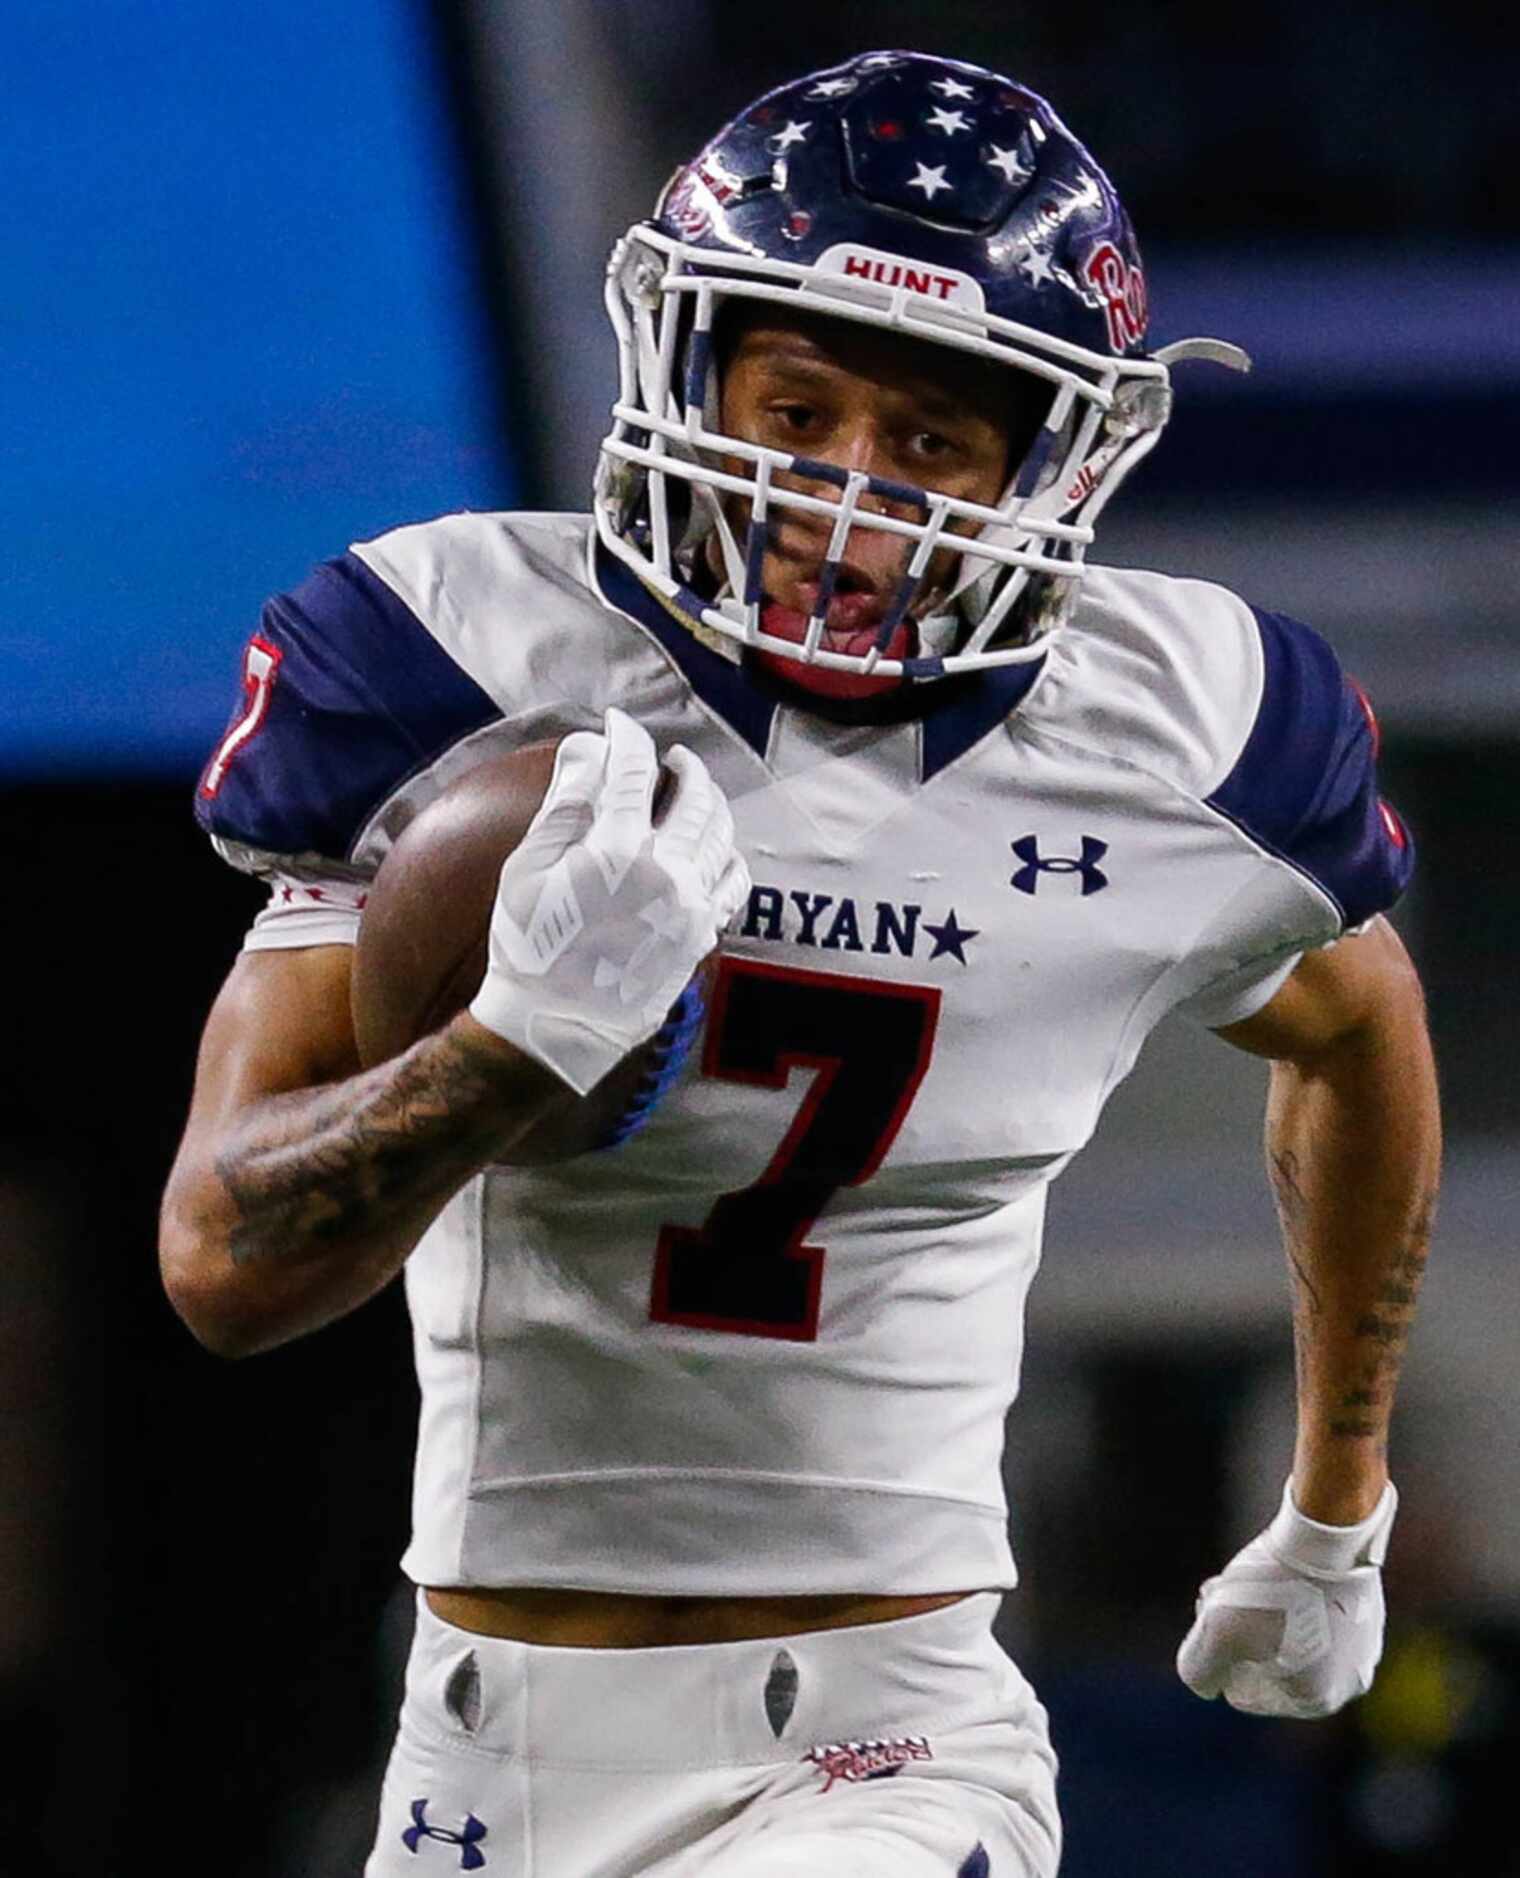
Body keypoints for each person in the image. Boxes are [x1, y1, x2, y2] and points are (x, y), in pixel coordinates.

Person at [159, 48, 1440, 1877]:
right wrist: (514, 1043)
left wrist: (1337, 1509)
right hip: (481, 1746)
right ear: (685, 363)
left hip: (882, 1742)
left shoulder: (1194, 732)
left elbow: (1360, 1028)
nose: (844, 497)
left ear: (1050, 462)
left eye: (927, 442)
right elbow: (222, 1258)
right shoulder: (453, 659)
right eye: (795, 405)